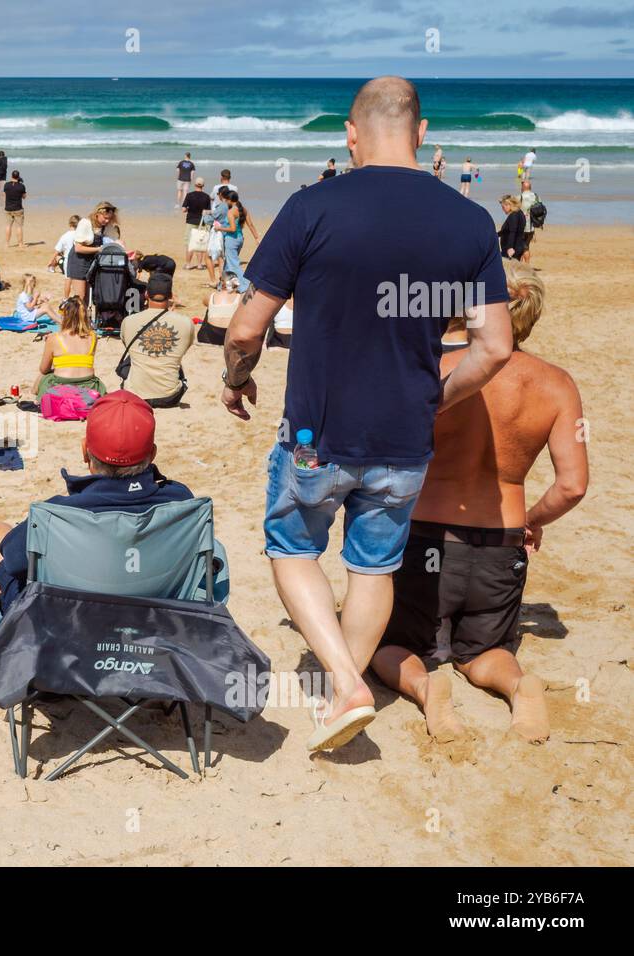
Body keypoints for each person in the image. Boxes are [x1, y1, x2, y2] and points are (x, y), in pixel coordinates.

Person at [220, 75, 514, 753]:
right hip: (405, 439)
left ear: (350, 135)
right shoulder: (469, 221)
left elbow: (244, 330)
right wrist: (436, 396)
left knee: (292, 549)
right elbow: (494, 347)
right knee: (373, 569)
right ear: (422, 132)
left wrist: (236, 379)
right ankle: (342, 693)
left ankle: (346, 684)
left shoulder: (312, 207)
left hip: (317, 435)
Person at [373, 260, 585, 745]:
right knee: (484, 652)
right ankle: (517, 685)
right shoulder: (557, 383)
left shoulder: (435, 369)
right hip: (501, 543)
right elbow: (572, 485)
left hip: (426, 536)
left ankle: (427, 686)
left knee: (390, 645)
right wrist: (531, 519)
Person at [0, 390, 193, 612]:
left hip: (70, 624)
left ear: (85, 452)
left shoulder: (57, 515)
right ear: (153, 454)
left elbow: (13, 557)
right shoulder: (182, 502)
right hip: (156, 615)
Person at [117, 272, 193, 407]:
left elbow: (126, 343)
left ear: (146, 294)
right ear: (170, 296)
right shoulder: (186, 323)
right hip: (169, 396)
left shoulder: (128, 321)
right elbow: (185, 348)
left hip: (135, 394)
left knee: (135, 355)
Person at [34, 295, 105, 398]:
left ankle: (37, 400)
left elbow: (43, 369)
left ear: (65, 316)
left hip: (62, 386)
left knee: (44, 377)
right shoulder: (93, 337)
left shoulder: (54, 338)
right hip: (89, 385)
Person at [67, 201, 120, 305]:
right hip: (79, 262)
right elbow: (78, 248)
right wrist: (98, 249)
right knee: (80, 297)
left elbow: (115, 240)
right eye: (105, 218)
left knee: (88, 298)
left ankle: (85, 319)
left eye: (109, 218)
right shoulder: (85, 223)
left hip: (92, 262)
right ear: (97, 214)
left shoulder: (106, 226)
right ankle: (77, 320)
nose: (107, 220)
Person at [213, 190, 260, 292]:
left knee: (233, 264)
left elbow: (233, 229)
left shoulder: (231, 212)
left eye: (226, 201)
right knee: (228, 263)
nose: (225, 202)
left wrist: (219, 228)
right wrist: (257, 237)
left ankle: (246, 286)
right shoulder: (243, 209)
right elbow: (250, 225)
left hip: (231, 240)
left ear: (230, 200)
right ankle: (222, 285)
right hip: (240, 239)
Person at [198, 273, 240, 346]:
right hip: (230, 334)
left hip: (212, 333)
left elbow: (204, 303)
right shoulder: (240, 298)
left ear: (221, 283)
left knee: (209, 308)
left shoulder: (211, 295)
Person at [181, 177, 211, 274]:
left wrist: (188, 208)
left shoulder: (189, 195)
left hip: (191, 221)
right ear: (203, 185)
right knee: (200, 243)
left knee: (190, 244)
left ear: (195, 184)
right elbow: (208, 211)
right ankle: (199, 264)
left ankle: (188, 264)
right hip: (202, 222)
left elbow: (183, 209)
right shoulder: (207, 197)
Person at [498, 194, 527, 260]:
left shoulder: (513, 216)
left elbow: (513, 232)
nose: (502, 209)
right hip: (518, 246)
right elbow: (506, 230)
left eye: (503, 207)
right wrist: (495, 235)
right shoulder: (520, 213)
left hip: (513, 249)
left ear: (509, 205)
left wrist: (510, 248)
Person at [3, 170, 26, 247]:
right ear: (18, 177)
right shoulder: (21, 186)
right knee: (19, 226)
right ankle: (20, 243)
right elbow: (24, 197)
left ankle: (6, 243)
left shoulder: (6, 185)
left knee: (8, 226)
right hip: (18, 208)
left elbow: (4, 195)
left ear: (11, 176)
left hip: (8, 208)